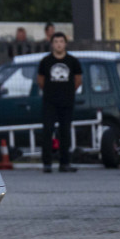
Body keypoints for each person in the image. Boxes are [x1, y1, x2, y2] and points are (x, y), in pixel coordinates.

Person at [37, 33, 82, 173]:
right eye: (56, 41)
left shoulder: (73, 61)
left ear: (65, 43)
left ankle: (64, 163)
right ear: (52, 44)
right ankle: (47, 163)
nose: (58, 44)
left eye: (61, 41)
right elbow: (41, 81)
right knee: (48, 131)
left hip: (67, 102)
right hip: (50, 102)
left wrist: (67, 92)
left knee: (65, 131)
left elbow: (78, 80)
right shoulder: (45, 61)